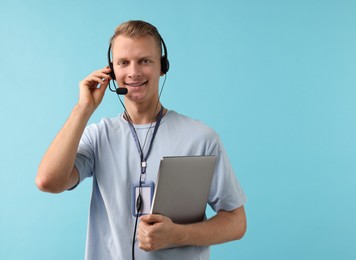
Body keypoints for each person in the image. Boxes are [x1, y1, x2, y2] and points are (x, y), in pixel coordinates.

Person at [36, 20, 246, 260]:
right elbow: (48, 181)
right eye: (123, 63)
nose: (134, 72)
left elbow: (236, 222)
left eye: (145, 61)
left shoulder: (201, 138)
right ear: (111, 72)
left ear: (162, 67)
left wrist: (178, 235)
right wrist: (83, 109)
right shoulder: (98, 136)